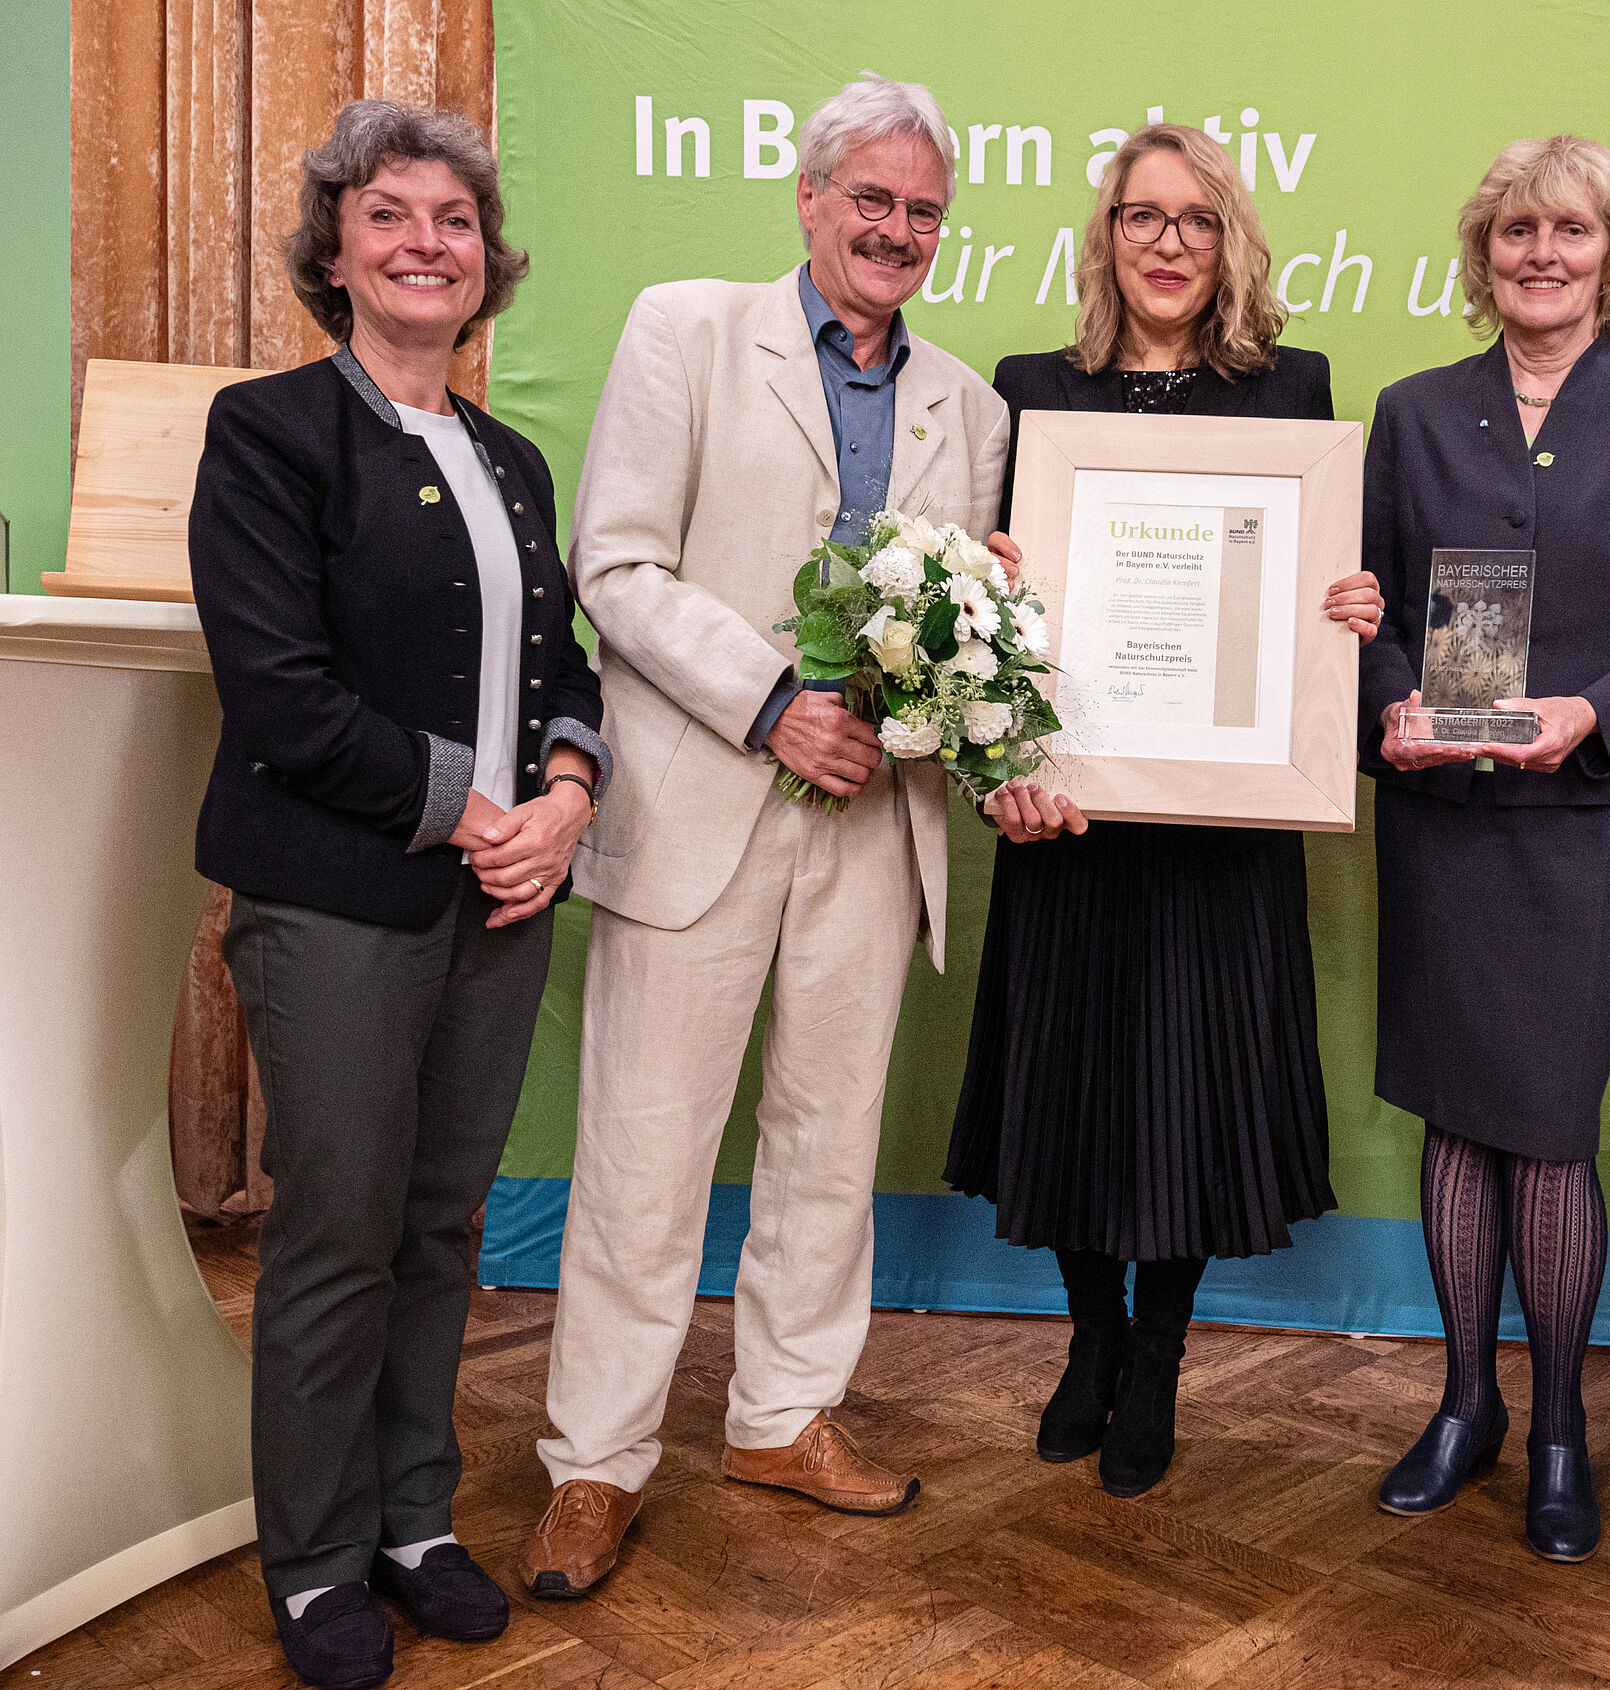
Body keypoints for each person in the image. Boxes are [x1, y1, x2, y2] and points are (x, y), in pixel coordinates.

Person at [519, 72, 1023, 1599]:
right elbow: (612, 562)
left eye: (924, 210)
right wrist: (769, 704)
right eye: (870, 199)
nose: (897, 231)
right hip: (702, 803)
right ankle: (595, 1461)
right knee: (644, 1149)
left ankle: (784, 1411)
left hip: (875, 821)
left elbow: (966, 635)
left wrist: (944, 679)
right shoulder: (685, 330)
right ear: (808, 199)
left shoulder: (973, 405)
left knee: (826, 1140)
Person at [189, 100, 608, 1688]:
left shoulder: (511, 458)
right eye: (390, 216)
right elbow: (282, 697)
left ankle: (412, 1519)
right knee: (336, 1237)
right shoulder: (271, 433)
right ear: (336, 251)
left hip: (500, 901)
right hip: (340, 903)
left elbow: (565, 662)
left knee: (442, 1228)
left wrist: (563, 798)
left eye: (451, 220)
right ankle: (311, 1556)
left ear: (485, 262)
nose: (425, 241)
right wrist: (479, 811)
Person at [942, 123, 1383, 1500]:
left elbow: (1312, 585)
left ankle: (1161, 1357)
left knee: (1191, 1094)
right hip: (1073, 807)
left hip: (1225, 816)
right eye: (1143, 217)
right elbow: (980, 615)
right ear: (1107, 236)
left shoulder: (1289, 389)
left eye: (1196, 219)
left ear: (1230, 238)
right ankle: (1091, 1335)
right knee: (1071, 1077)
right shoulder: (1034, 390)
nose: (1170, 243)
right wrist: (996, 566)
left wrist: (1344, 608)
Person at [1356, 136, 1610, 1562]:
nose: (1540, 251)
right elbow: (1370, 614)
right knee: (1457, 1115)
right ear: (1484, 250)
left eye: (1569, 229)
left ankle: (1564, 1420)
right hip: (1443, 821)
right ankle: (1468, 1403)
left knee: (1550, 1128)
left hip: (1589, 822)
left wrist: (1592, 711)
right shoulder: (1411, 413)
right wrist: (1386, 703)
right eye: (1516, 229)